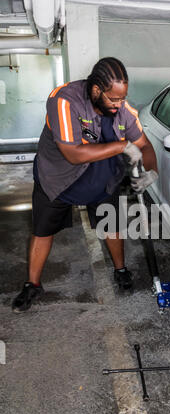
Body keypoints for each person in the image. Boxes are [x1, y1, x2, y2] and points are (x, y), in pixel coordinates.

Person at [12, 57, 158, 313]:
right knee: (43, 230)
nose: (119, 104)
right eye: (114, 99)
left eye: (123, 98)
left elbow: (145, 146)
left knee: (112, 225)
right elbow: (73, 153)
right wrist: (123, 146)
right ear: (96, 90)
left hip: (101, 176)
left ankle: (120, 269)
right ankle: (32, 284)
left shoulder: (124, 111)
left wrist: (152, 173)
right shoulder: (64, 100)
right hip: (57, 177)